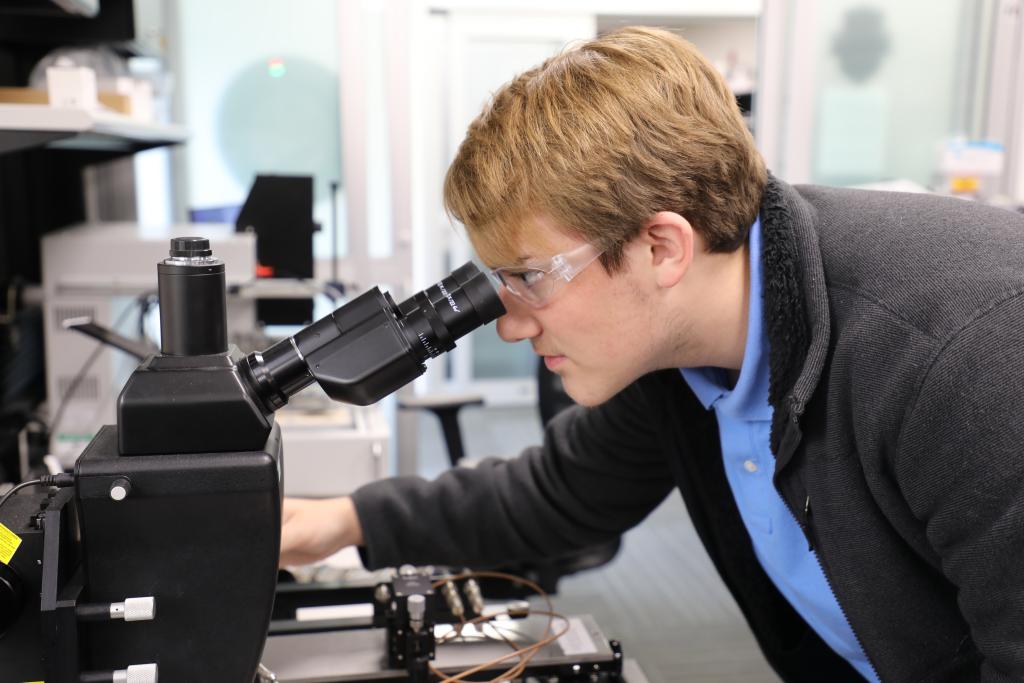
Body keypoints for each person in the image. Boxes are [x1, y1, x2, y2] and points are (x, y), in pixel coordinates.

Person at [280, 26, 1024, 682]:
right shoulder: (683, 350)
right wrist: (340, 520)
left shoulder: (963, 364)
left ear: (660, 246)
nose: (509, 324)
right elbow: (559, 492)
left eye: (529, 277)